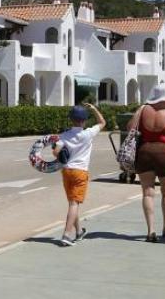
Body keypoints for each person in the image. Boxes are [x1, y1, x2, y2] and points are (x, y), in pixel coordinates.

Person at [130, 84, 165, 242]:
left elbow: (130, 128)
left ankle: (150, 230)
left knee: (147, 192)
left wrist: (140, 110)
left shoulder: (143, 110)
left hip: (144, 153)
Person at [53, 103, 106, 247]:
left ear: (71, 119)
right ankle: (66, 235)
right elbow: (102, 122)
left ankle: (79, 232)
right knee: (74, 204)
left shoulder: (64, 135)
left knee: (72, 203)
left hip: (67, 171)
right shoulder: (88, 133)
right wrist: (94, 109)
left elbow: (56, 152)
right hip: (80, 171)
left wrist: (62, 153)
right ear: (84, 120)